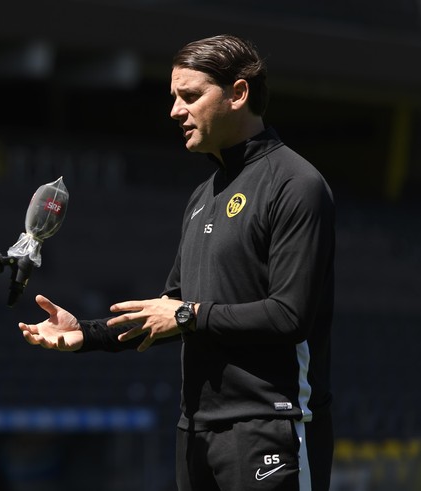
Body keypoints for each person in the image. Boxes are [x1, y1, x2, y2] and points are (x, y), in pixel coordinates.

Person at [18, 34, 335, 491]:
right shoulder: (201, 197)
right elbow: (170, 308)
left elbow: (290, 315)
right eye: (174, 98)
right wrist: (83, 333)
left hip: (271, 425)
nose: (175, 111)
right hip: (196, 432)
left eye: (190, 96)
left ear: (238, 94)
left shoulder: (296, 184)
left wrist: (187, 314)